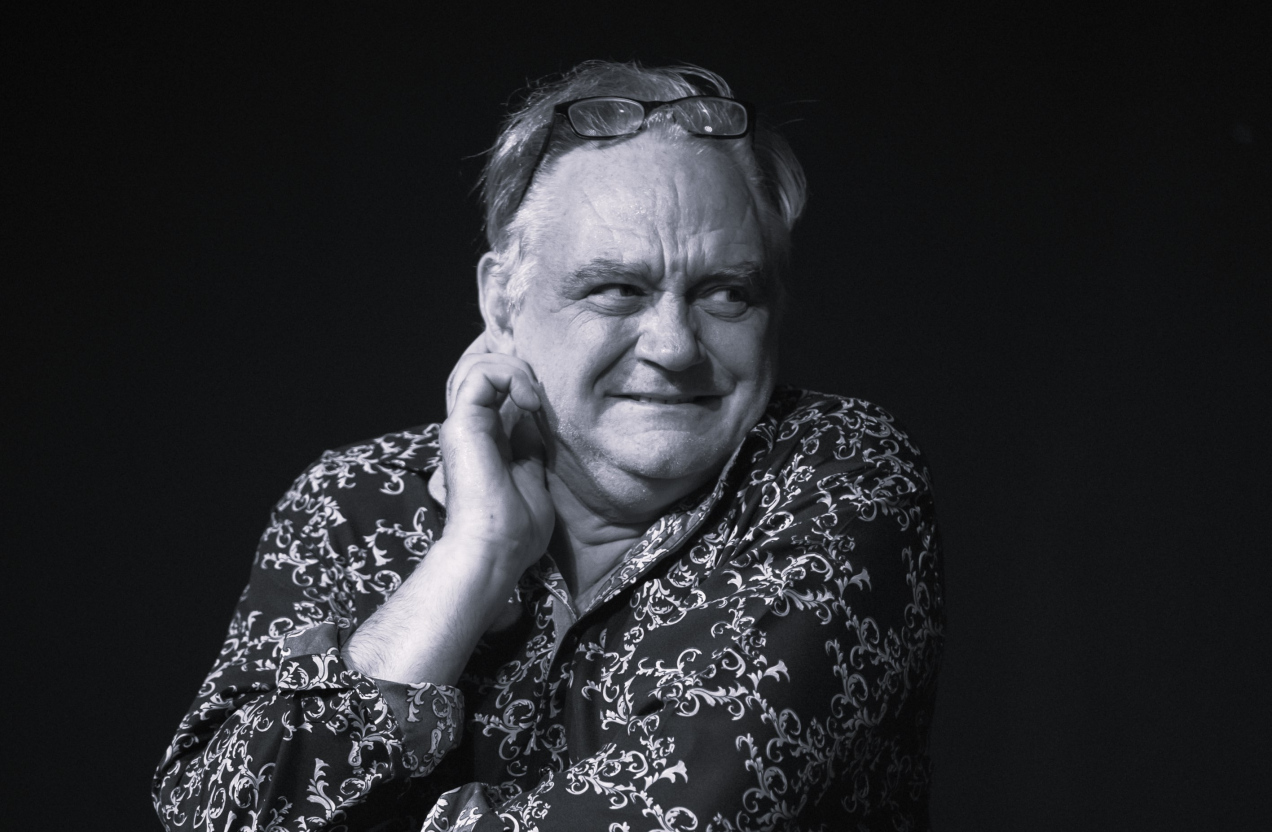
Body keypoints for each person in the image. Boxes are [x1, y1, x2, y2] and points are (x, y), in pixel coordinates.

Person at [153, 60, 945, 832]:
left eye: (727, 293)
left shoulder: (840, 474)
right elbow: (218, 815)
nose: (674, 346)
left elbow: (677, 814)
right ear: (503, 304)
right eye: (617, 289)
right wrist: (475, 555)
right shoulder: (353, 501)